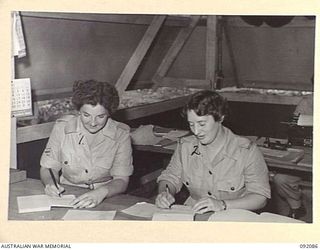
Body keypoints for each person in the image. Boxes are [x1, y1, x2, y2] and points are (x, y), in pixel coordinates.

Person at [155, 90, 271, 213]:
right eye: (191, 124)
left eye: (202, 124)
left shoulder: (247, 151)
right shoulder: (185, 146)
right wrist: (164, 193)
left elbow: (260, 197)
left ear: (220, 118)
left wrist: (222, 204)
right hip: (194, 211)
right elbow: (170, 177)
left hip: (234, 213)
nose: (196, 131)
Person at [40, 80, 133, 208]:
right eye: (86, 115)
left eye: (100, 116)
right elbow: (48, 168)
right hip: (67, 193)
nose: (93, 123)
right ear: (78, 111)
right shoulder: (62, 128)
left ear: (109, 114)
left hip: (106, 196)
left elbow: (122, 180)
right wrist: (50, 184)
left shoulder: (120, 134)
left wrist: (100, 193)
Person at [272, 93, 313, 219]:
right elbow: (294, 126)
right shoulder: (307, 101)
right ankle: (296, 207)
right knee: (281, 179)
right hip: (308, 150)